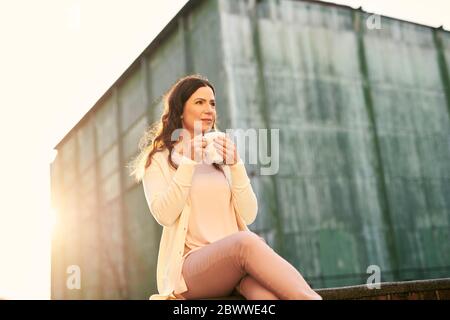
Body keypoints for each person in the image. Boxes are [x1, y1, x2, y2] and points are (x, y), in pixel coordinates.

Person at [128, 74, 322, 300]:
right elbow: (165, 214)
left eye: (212, 103)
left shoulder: (218, 155)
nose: (209, 109)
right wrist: (189, 162)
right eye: (199, 102)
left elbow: (248, 215)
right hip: (191, 271)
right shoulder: (159, 160)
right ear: (180, 110)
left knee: (267, 298)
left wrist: (236, 165)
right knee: (247, 242)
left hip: (236, 265)